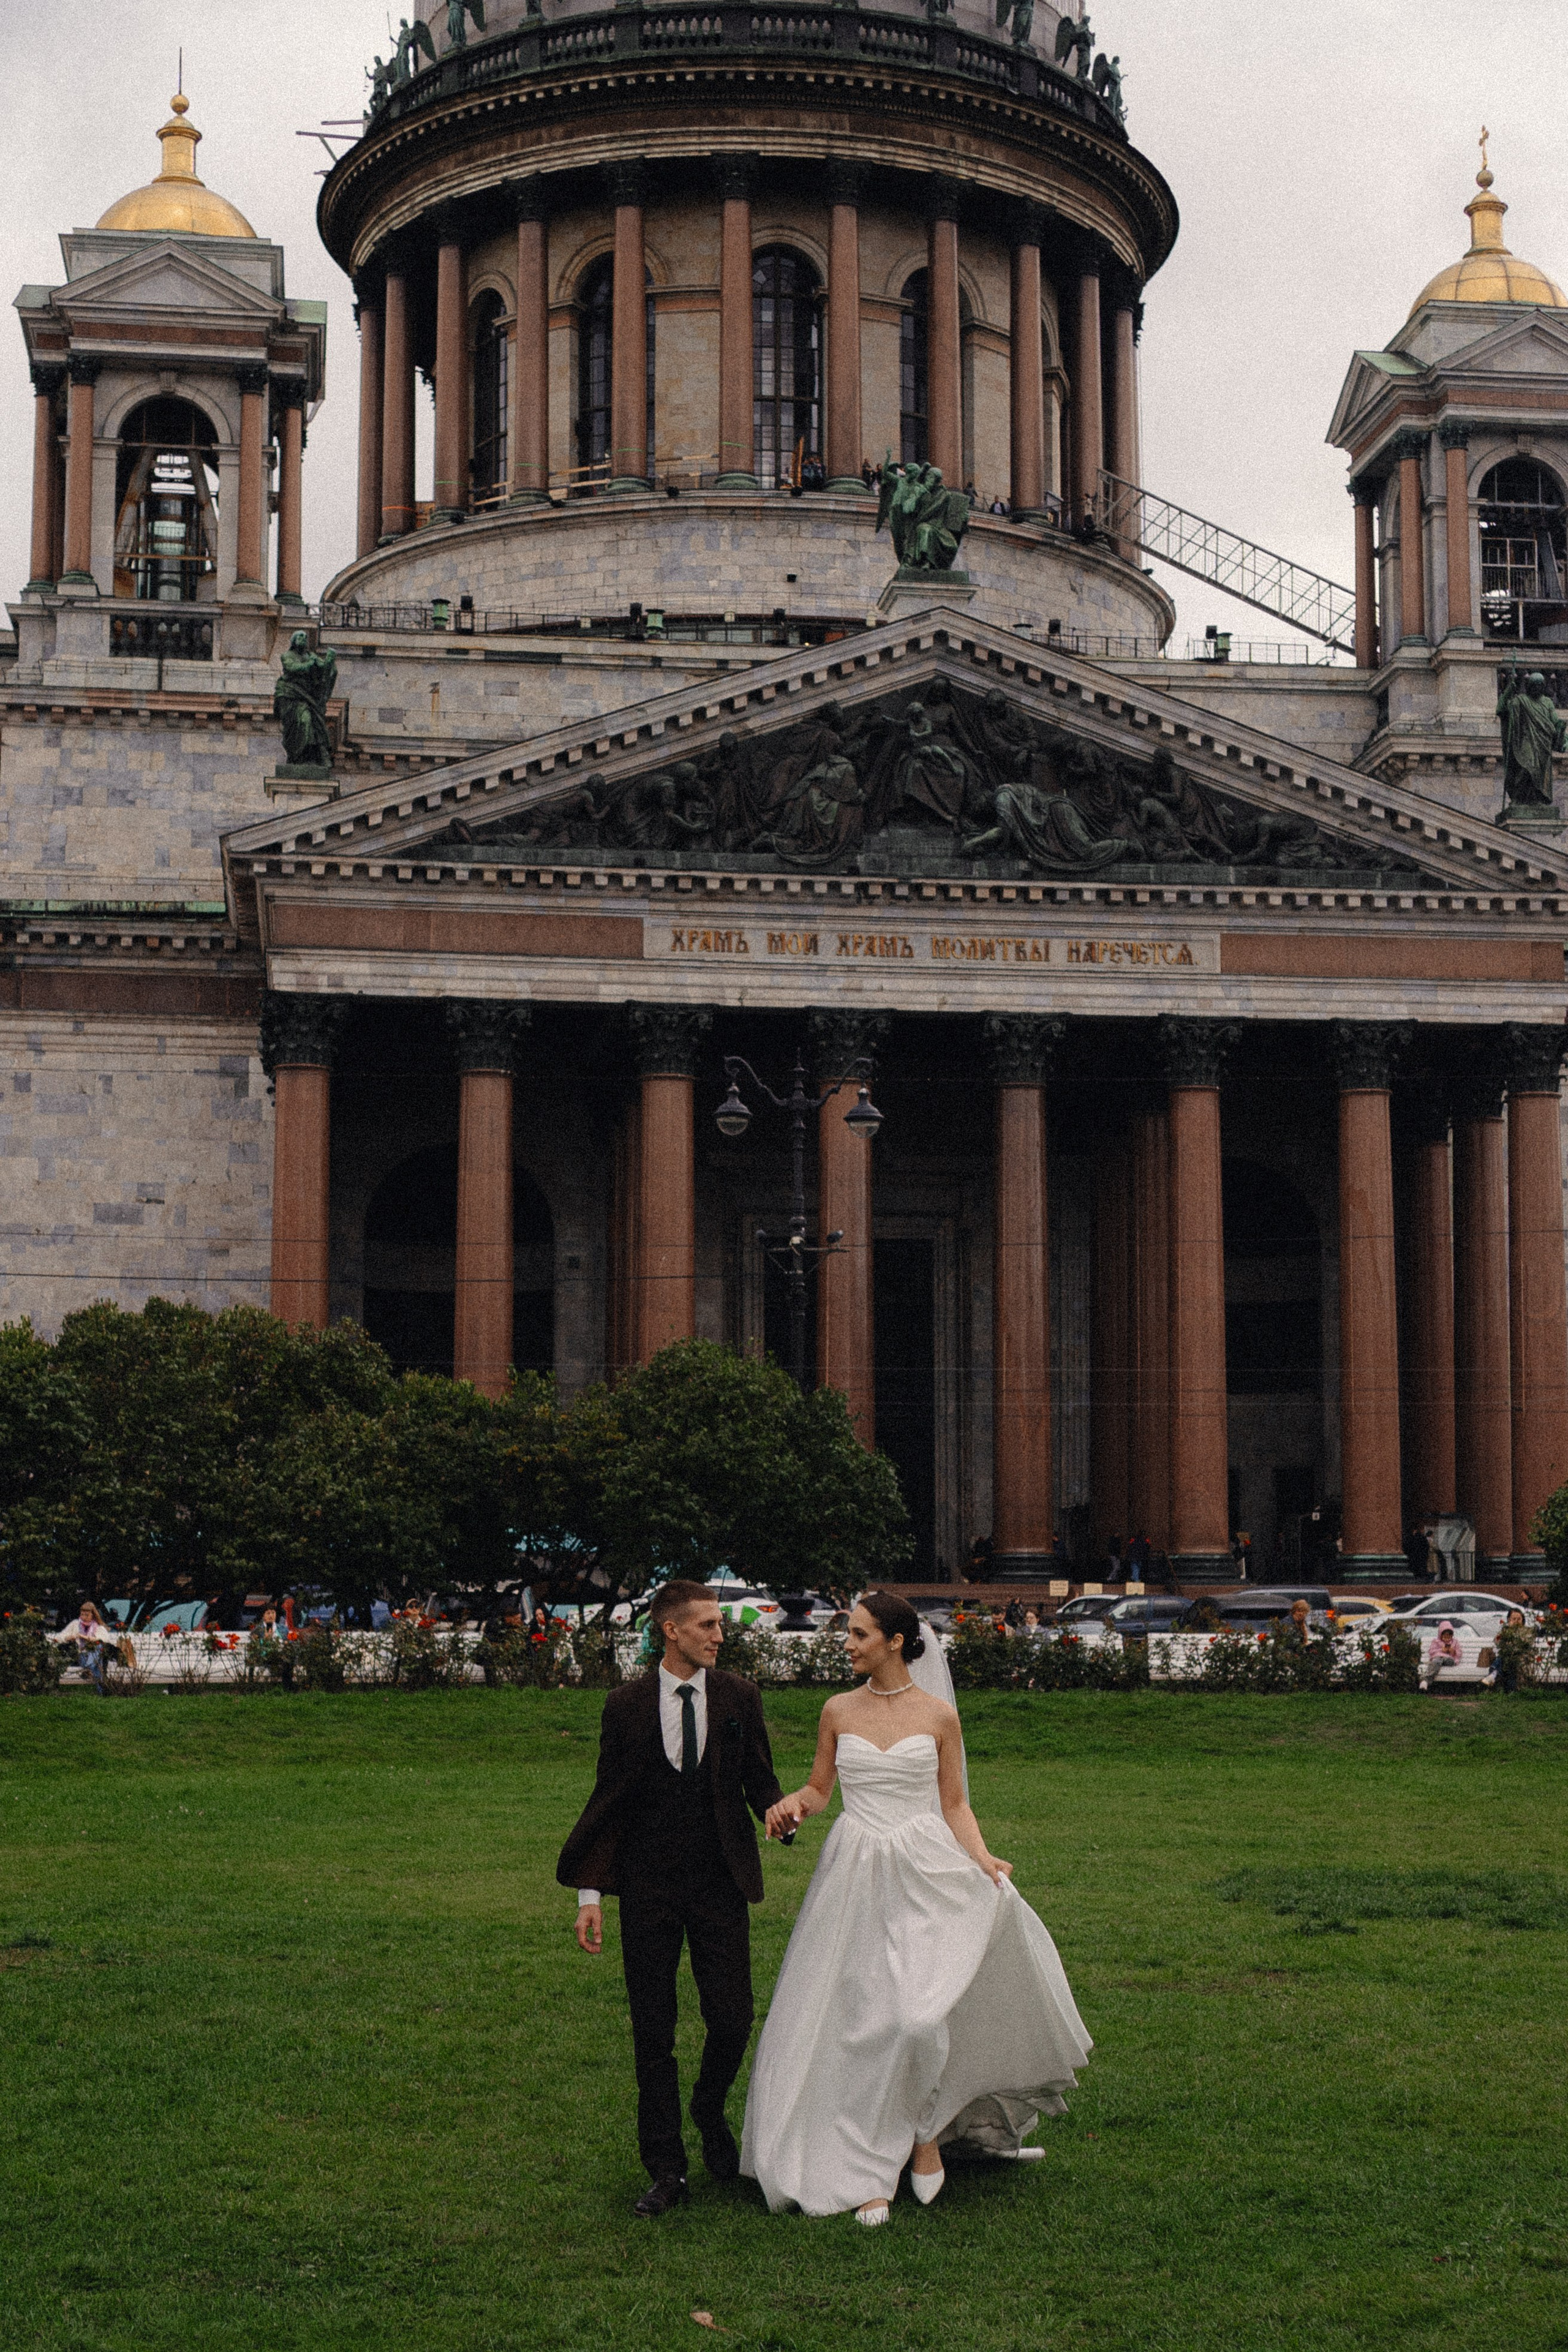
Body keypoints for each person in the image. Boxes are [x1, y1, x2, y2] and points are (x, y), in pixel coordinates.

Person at [742, 1591, 1091, 2222]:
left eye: (858, 1633)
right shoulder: (837, 1710)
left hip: (923, 1868)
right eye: (848, 1633)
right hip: (853, 1873)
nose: (846, 1643)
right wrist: (791, 1805)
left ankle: (927, 2134)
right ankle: (868, 2161)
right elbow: (821, 1791)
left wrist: (983, 1860)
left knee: (918, 2014)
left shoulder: (938, 1717)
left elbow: (953, 1804)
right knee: (859, 2015)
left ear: (895, 1641)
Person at [558, 1578, 783, 2217]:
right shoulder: (624, 1706)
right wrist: (590, 1894)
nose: (720, 1636)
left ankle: (708, 2108)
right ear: (671, 1631)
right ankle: (666, 2168)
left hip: (720, 1885)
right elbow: (608, 1804)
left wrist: (778, 1813)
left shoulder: (740, 1696)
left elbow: (760, 1783)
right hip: (648, 1889)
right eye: (708, 1625)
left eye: (720, 1626)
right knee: (652, 2032)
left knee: (733, 2019)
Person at [51, 1600, 115, 1692]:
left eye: (87, 1615)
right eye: (82, 1614)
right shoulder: (75, 1624)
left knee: (98, 1648)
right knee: (98, 1663)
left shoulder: (99, 1627)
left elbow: (103, 1640)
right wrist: (68, 1638)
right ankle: (102, 1689)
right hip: (80, 1656)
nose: (83, 1617)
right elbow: (60, 1636)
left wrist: (85, 1637)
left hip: (94, 1655)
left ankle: (89, 1668)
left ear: (93, 1615)